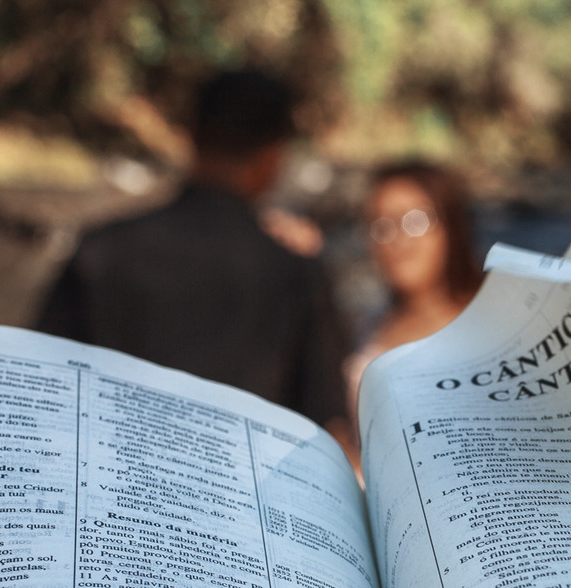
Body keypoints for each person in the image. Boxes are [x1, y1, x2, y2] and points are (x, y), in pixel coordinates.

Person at [35, 69, 348, 433]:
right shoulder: (293, 272)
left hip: (111, 480)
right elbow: (327, 424)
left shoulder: (102, 249)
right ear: (272, 158)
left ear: (190, 137)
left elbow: (45, 383)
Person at [345, 161, 484, 418]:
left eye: (414, 221)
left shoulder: (493, 324)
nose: (398, 239)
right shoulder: (363, 326)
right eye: (381, 226)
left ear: (450, 225)